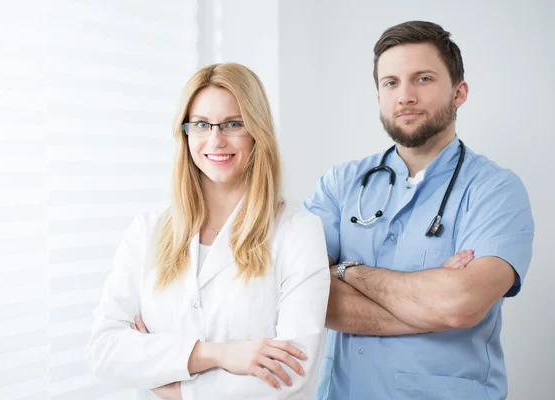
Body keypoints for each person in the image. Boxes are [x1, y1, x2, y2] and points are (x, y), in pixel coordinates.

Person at [305, 21, 534, 400]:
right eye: (390, 82)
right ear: (378, 96)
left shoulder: (495, 190)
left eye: (423, 79)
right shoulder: (340, 184)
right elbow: (306, 298)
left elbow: (460, 305)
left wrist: (347, 271)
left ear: (459, 93)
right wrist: (429, 307)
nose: (405, 96)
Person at [87, 63, 330, 400]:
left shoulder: (298, 233)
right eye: (201, 124)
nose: (216, 140)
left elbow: (290, 374)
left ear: (257, 131)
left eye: (233, 124)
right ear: (185, 133)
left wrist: (168, 385)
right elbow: (105, 351)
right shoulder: (147, 232)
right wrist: (219, 354)